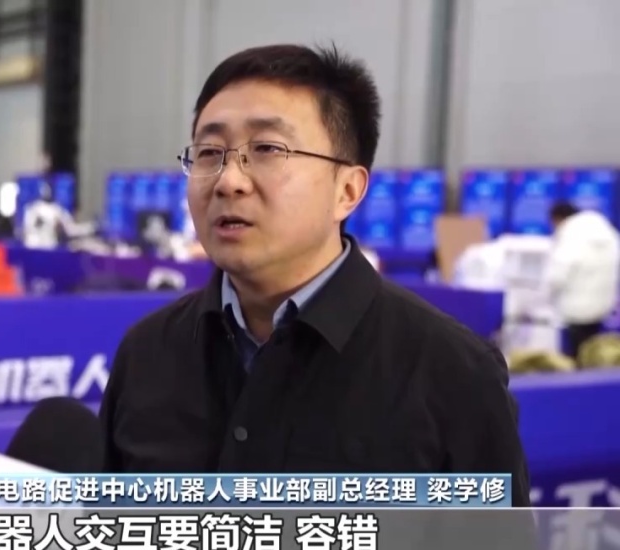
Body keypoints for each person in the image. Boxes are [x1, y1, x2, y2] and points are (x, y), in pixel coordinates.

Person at [100, 45, 531, 508]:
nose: (228, 181)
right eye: (209, 152)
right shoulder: (146, 354)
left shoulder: (453, 374)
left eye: (267, 149)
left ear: (347, 190)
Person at [545, 201, 620, 357]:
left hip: (574, 311)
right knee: (593, 354)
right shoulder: (608, 231)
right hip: (602, 308)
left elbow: (558, 275)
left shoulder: (570, 234)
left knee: (574, 356)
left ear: (558, 219)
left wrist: (546, 296)